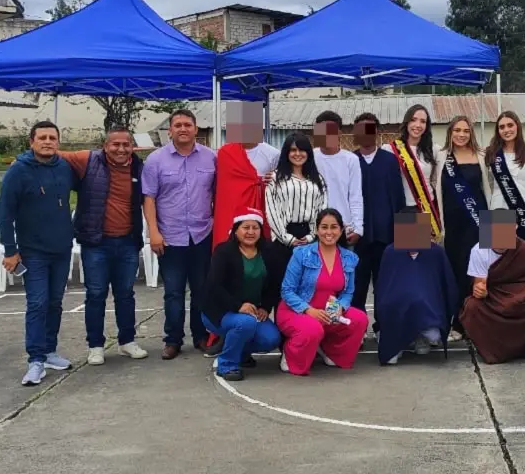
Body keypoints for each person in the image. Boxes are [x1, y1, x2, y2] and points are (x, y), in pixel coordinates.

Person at [54, 127, 149, 366]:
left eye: (125, 144)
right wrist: (21, 162)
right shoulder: (88, 159)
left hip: (128, 241)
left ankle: (127, 341)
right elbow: (55, 154)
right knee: (95, 295)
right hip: (96, 242)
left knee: (126, 295)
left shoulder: (139, 167)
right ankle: (95, 345)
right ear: (105, 146)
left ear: (132, 147)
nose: (120, 149)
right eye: (115, 144)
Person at [0, 121, 77, 386]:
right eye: (42, 137)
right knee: (37, 303)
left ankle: (50, 351)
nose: (47, 142)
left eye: (52, 138)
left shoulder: (64, 168)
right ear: (31, 142)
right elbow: (4, 213)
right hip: (33, 252)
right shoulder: (18, 171)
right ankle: (35, 360)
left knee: (55, 303)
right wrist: (11, 251)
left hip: (61, 249)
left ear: (58, 142)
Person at [142, 109, 217, 360]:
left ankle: (200, 336)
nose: (183, 129)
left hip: (202, 234)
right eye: (178, 125)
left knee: (201, 290)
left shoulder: (211, 158)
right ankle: (173, 339)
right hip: (170, 237)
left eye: (187, 125)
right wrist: (153, 231)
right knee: (173, 292)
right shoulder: (155, 160)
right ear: (170, 130)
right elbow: (149, 198)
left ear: (196, 129)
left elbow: (219, 193)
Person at [276, 209, 369, 375]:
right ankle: (290, 353)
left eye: (334, 227)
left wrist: (341, 307)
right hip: (296, 311)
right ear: (317, 230)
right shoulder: (301, 254)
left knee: (360, 319)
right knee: (313, 328)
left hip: (328, 313)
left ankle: (329, 350)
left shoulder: (349, 258)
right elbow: (287, 290)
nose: (329, 232)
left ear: (341, 230)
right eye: (324, 227)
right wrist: (309, 310)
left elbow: (348, 292)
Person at [460, 209, 525, 364]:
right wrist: (481, 292)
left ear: (515, 228)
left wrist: (517, 298)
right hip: (493, 297)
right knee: (472, 306)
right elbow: (479, 285)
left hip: (520, 297)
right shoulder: (479, 250)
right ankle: (493, 350)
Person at [202, 209, 284, 381]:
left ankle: (239, 352)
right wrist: (238, 306)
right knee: (244, 323)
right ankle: (227, 364)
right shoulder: (224, 251)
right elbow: (214, 286)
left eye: (255, 228)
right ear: (236, 230)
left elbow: (274, 285)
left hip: (252, 312)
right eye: (246, 227)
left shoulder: (269, 252)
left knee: (271, 338)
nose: (251, 232)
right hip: (220, 311)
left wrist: (265, 307)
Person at [373, 210, 460, 365]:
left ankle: (420, 337)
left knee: (434, 335)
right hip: (397, 311)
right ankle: (397, 341)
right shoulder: (391, 252)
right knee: (391, 359)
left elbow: (448, 286)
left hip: (428, 311)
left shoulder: (436, 253)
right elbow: (382, 289)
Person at [433, 115, 492, 340]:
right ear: (450, 132)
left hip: (478, 223)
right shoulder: (440, 157)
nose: (461, 134)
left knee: (480, 271)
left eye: (466, 131)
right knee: (457, 271)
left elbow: (490, 189)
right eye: (457, 130)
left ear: (471, 133)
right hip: (452, 225)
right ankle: (457, 323)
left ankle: (479, 321)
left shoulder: (482, 155)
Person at [352, 113, 406, 323]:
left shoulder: (390, 160)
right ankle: (357, 327)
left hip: (387, 235)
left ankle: (385, 326)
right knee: (357, 285)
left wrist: (401, 234)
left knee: (386, 284)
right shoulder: (351, 159)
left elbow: (398, 198)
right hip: (358, 236)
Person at [212, 104, 277, 251]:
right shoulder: (224, 153)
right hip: (230, 213)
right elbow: (221, 187)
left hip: (260, 211)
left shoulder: (273, 154)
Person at [264, 133, 328, 272]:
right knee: (281, 284)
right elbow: (271, 211)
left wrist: (312, 235)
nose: (297, 154)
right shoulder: (275, 178)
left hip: (310, 238)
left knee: (308, 284)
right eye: (293, 150)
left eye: (302, 150)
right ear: (286, 153)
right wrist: (287, 238)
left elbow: (322, 209)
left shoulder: (318, 180)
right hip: (283, 238)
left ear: (308, 153)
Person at [486, 110, 525, 251]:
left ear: (517, 125)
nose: (506, 130)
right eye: (502, 127)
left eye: (510, 125)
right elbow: (488, 184)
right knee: (498, 261)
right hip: (499, 211)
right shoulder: (490, 153)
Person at [383, 104, 440, 238]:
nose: (418, 125)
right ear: (406, 122)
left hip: (428, 208)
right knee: (411, 255)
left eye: (423, 121)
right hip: (406, 210)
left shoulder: (434, 149)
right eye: (413, 120)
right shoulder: (390, 149)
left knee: (427, 255)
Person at [312, 111, 364, 247]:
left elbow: (355, 196)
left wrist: (358, 228)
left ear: (339, 133)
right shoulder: (310, 157)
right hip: (314, 228)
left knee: (343, 267)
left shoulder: (351, 160)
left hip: (343, 228)